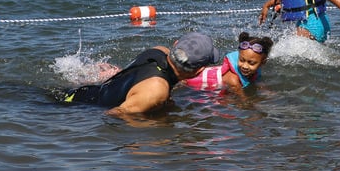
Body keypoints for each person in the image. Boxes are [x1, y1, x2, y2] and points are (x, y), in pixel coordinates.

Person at [62, 32, 221, 116]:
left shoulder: (158, 51)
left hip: (82, 93)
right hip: (76, 108)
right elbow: (114, 114)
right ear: (200, 70)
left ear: (175, 45)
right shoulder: (156, 91)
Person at [182, 32, 273, 94]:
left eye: (251, 63)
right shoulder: (233, 80)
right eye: (241, 60)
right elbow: (244, 103)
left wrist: (269, 93)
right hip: (187, 81)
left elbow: (256, 82)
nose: (245, 66)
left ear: (263, 62)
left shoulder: (255, 71)